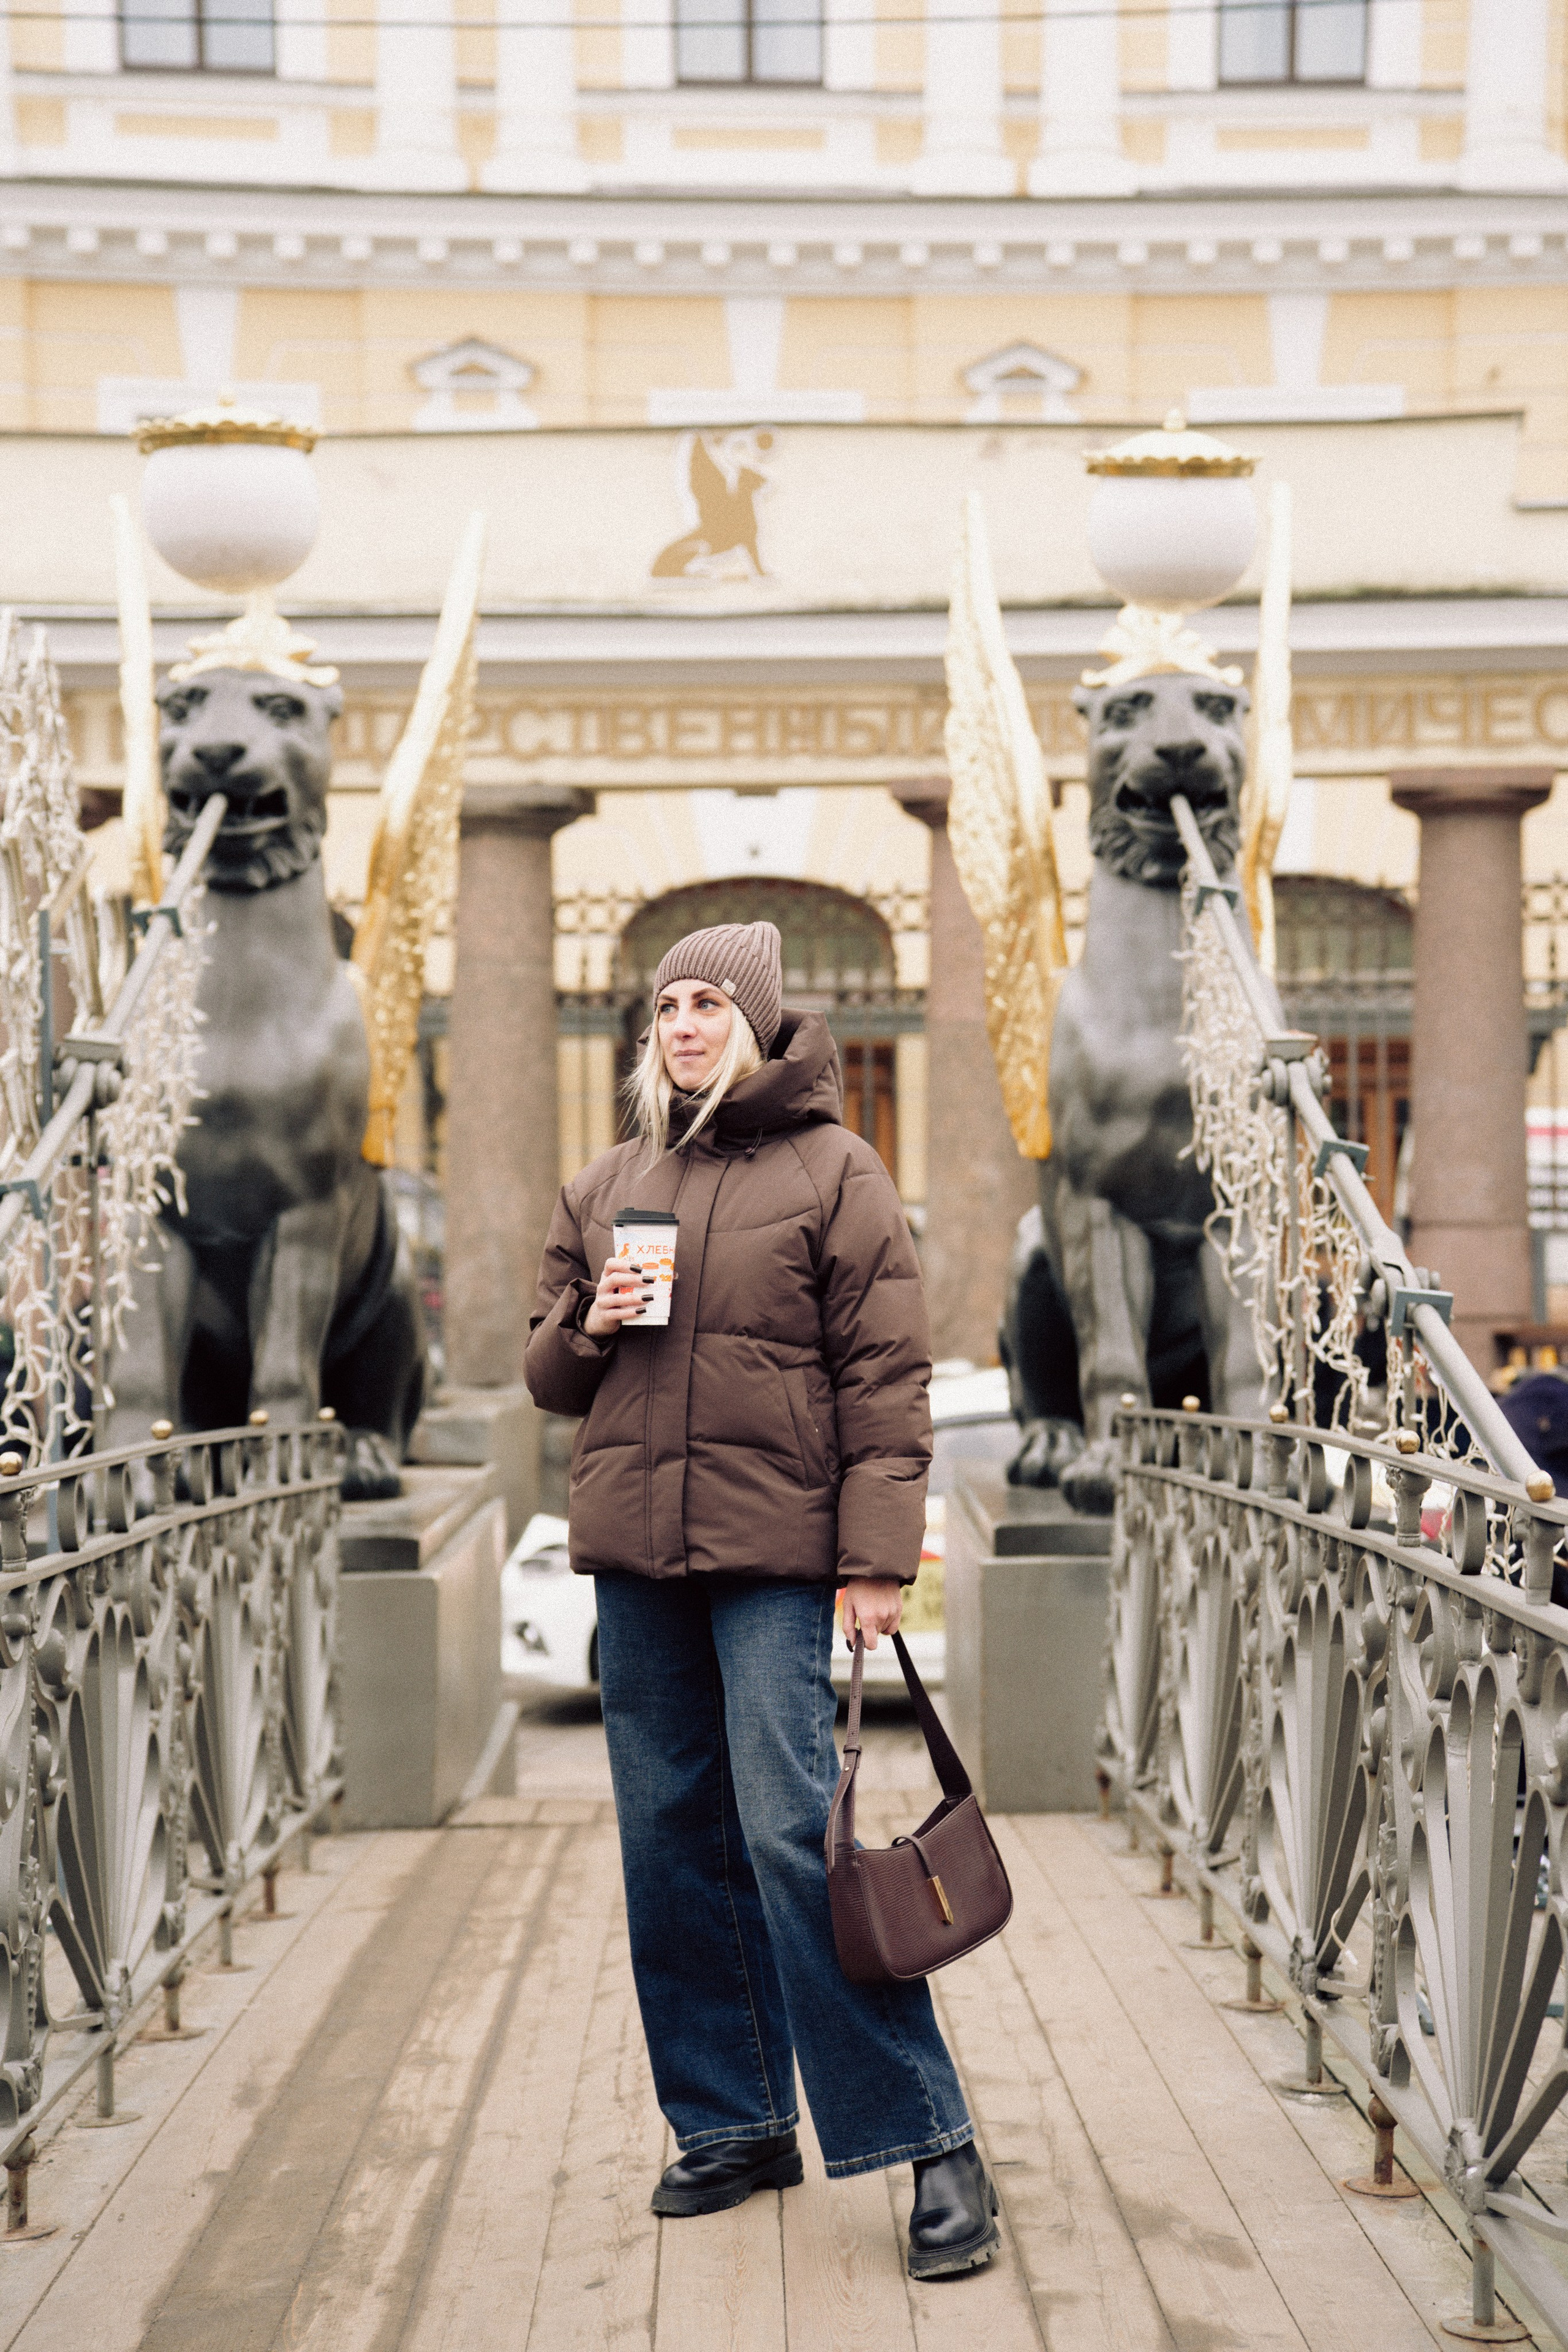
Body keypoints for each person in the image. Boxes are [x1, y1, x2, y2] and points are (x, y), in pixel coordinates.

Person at [526, 919, 998, 2281]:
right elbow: (549, 1377)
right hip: (636, 1558)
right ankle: (730, 2123)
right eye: (663, 1006)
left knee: (796, 1836)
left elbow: (885, 1380)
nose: (679, 1026)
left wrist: (874, 1558)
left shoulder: (836, 1172)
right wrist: (593, 1322)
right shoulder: (608, 1179)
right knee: (667, 1840)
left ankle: (928, 2134)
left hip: (778, 1561)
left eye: (705, 1007)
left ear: (754, 1025)